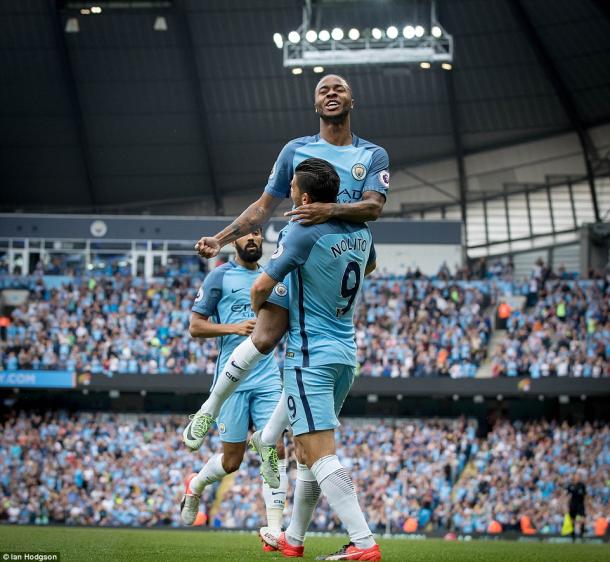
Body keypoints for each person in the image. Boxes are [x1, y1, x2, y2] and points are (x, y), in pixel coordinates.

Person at [182, 74, 390, 466]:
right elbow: (263, 208)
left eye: (339, 88)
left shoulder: (373, 155)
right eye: (323, 90)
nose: (331, 93)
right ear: (315, 105)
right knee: (266, 335)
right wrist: (221, 238)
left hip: (340, 258)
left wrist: (329, 210)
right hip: (299, 252)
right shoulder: (296, 150)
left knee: (305, 352)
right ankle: (209, 409)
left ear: (352, 100)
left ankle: (270, 436)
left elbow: (374, 207)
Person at [252, 158, 381, 560]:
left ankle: (364, 544)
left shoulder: (301, 232)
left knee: (320, 452)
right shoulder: (362, 230)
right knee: (306, 453)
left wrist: (259, 309)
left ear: (304, 197)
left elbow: (262, 286)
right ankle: (293, 539)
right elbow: (370, 264)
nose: (288, 191)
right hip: (345, 354)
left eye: (291, 187)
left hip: (309, 357)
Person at [179, 229, 288, 549]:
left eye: (257, 233)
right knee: (232, 461)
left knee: (275, 448)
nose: (252, 238)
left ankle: (274, 529)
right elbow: (195, 326)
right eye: (246, 234)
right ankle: (195, 484)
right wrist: (234, 327)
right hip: (232, 380)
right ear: (235, 241)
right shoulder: (220, 276)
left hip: (267, 376)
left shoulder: (273, 276)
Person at [567, 472, 587, 540]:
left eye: (578, 476)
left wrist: (586, 504)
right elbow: (568, 495)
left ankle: (581, 534)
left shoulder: (582, 485)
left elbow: (585, 496)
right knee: (572, 520)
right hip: (573, 505)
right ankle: (573, 535)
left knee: (582, 519)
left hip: (580, 505)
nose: (577, 478)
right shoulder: (570, 485)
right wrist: (566, 505)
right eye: (576, 476)